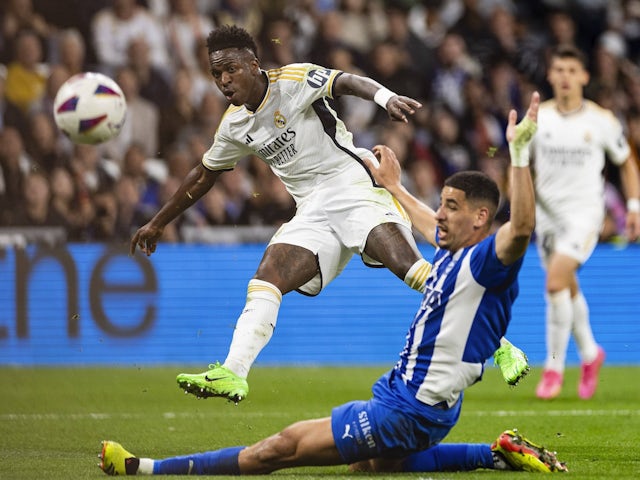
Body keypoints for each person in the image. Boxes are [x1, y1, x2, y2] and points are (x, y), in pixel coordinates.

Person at [101, 91, 569, 476]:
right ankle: (494, 453)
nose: (439, 214)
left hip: (408, 411)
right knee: (371, 467)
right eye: (441, 204)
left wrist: (520, 154)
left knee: (279, 449)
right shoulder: (455, 250)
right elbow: (425, 223)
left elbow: (522, 227)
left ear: (481, 218)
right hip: (417, 401)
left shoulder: (489, 262)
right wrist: (393, 186)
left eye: (450, 206)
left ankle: (145, 469)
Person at [129, 24, 528, 404]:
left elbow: (347, 81)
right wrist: (158, 221)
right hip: (312, 210)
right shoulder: (234, 125)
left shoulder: (292, 81)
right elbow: (203, 174)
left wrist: (385, 97)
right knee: (266, 277)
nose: (224, 80)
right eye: (216, 74)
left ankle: (500, 344)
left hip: (354, 186)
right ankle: (234, 371)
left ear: (254, 65)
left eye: (231, 69)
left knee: (413, 271)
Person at [532, 44, 640, 400]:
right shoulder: (539, 119)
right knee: (564, 287)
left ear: (583, 77)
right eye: (558, 69)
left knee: (555, 282)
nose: (564, 76)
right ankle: (591, 354)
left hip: (584, 214)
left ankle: (553, 368)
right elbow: (513, 161)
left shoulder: (602, 120)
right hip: (546, 217)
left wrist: (634, 206)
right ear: (550, 75)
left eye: (571, 70)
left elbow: (626, 162)